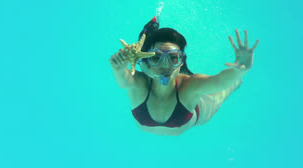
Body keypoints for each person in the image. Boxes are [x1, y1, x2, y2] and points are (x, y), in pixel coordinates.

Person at [109, 17, 259, 136]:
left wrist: (241, 70)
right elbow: (123, 79)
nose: (165, 65)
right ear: (146, 62)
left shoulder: (189, 86)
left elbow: (219, 81)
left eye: (174, 57)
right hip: (179, 124)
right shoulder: (140, 83)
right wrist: (118, 67)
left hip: (199, 115)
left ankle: (236, 82)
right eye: (156, 57)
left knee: (223, 91)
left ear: (181, 62)